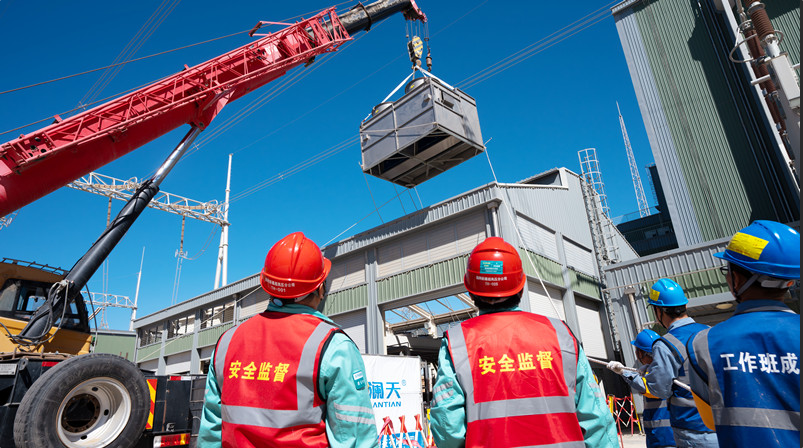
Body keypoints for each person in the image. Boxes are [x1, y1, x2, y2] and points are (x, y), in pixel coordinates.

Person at [429, 237, 618, 448]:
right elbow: (597, 419)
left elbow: (447, 426)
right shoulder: (561, 335)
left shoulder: (458, 344)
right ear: (521, 286)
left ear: (471, 291)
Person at [198, 232, 378, 448]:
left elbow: (211, 433)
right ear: (321, 288)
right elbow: (355, 437)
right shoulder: (333, 345)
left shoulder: (227, 343)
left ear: (267, 285)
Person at [685, 220, 800, 447]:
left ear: (737, 279)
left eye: (727, 272)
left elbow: (709, 420)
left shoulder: (703, 343)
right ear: (789, 281)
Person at [609, 278, 717, 447]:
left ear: (658, 311)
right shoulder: (711, 332)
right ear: (685, 306)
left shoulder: (666, 344)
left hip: (692, 432)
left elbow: (658, 389)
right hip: (721, 426)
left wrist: (635, 374)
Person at [612, 329, 676, 448]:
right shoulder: (661, 368)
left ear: (641, 353)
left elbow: (647, 387)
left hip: (664, 436)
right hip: (659, 434)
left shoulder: (658, 372)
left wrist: (623, 371)